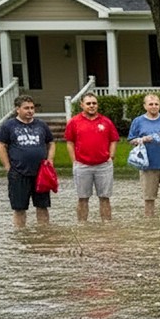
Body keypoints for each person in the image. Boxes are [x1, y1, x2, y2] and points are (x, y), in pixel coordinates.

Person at [0, 95, 55, 228]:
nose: (30, 111)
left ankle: (44, 233)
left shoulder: (41, 125)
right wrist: (7, 167)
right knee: (19, 208)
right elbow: (1, 145)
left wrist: (50, 159)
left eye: (32, 108)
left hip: (41, 173)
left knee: (42, 206)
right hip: (18, 173)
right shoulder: (8, 126)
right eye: (26, 108)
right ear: (18, 109)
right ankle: (20, 235)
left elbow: (50, 142)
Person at [64, 92, 120, 222]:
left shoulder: (106, 121)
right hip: (82, 165)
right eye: (88, 103)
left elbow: (114, 139)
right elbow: (69, 142)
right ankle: (82, 225)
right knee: (83, 198)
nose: (91, 106)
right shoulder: (74, 122)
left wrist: (111, 156)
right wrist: (74, 161)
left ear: (97, 105)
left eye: (94, 103)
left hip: (103, 165)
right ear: (82, 105)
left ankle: (107, 225)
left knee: (105, 198)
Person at [127, 94, 160, 217]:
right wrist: (142, 139)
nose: (154, 106)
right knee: (149, 198)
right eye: (151, 104)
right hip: (147, 166)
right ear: (145, 106)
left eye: (156, 104)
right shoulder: (138, 121)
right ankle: (149, 224)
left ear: (159, 105)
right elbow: (131, 140)